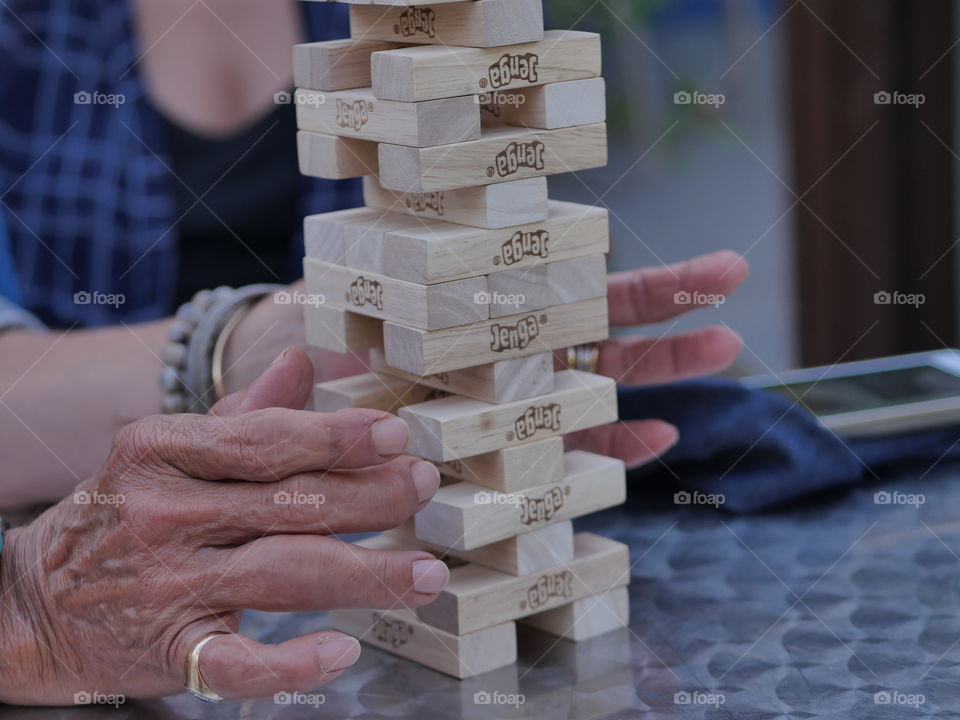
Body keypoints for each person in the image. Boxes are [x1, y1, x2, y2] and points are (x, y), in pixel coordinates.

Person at [0, 0, 750, 704]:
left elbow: (488, 180)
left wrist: (493, 361)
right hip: (83, 565)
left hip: (386, 508)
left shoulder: (408, 26)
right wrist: (245, 346)